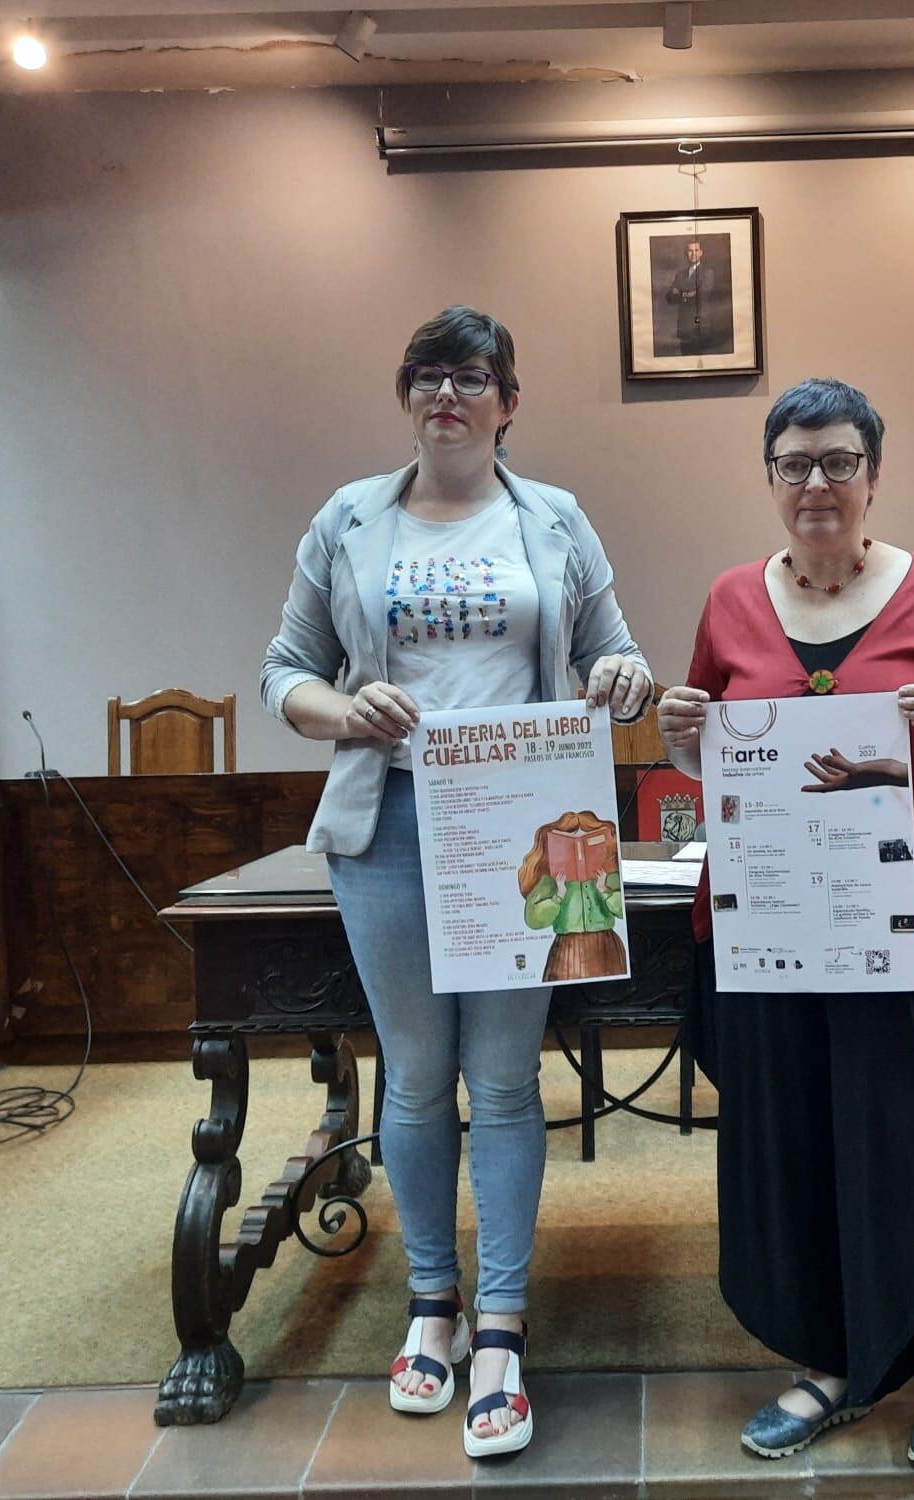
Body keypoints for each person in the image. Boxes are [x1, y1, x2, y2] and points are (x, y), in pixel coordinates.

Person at [261, 306, 652, 1459]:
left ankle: (500, 1323)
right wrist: (345, 708)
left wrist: (621, 673)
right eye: (426, 376)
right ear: (405, 396)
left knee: (508, 1080)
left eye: (470, 378)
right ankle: (431, 1303)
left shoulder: (554, 518)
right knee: (420, 1079)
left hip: (530, 829)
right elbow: (285, 670)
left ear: (507, 402)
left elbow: (608, 651)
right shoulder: (347, 517)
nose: (447, 395)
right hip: (387, 827)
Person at [656, 377, 914, 1473]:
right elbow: (707, 757)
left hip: (894, 930)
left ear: (871, 474)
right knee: (795, 1146)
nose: (816, 483)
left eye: (838, 461)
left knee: (911, 1145)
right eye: (794, 464)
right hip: (766, 926)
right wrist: (681, 735)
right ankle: (828, 1365)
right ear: (768, 478)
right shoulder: (727, 599)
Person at [664, 239, 723, 355]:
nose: (693, 253)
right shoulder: (680, 274)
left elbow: (701, 295)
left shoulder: (707, 272)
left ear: (701, 252)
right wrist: (688, 293)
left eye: (696, 250)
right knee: (686, 360)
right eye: (690, 251)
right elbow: (669, 297)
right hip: (684, 326)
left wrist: (680, 293)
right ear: (686, 253)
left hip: (700, 326)